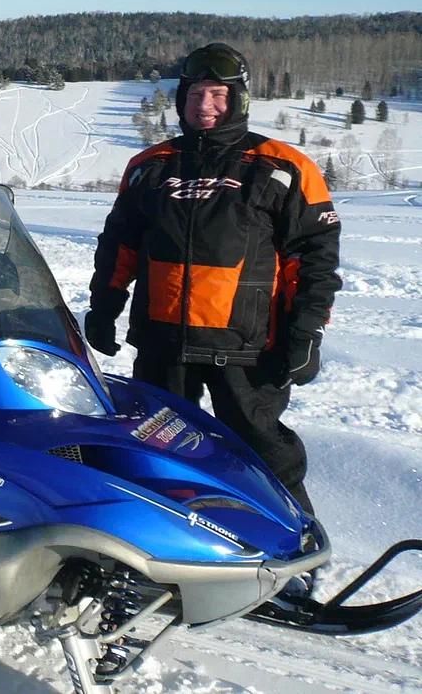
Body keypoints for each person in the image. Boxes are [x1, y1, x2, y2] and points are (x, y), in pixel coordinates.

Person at [85, 43, 341, 516]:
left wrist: (307, 332)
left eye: (218, 94)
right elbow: (120, 244)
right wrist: (104, 307)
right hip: (163, 345)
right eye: (196, 93)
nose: (205, 106)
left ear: (239, 99)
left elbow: (314, 257)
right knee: (157, 455)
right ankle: (168, 550)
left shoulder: (283, 166)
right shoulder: (150, 166)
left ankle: (294, 547)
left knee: (263, 456)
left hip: (246, 348)